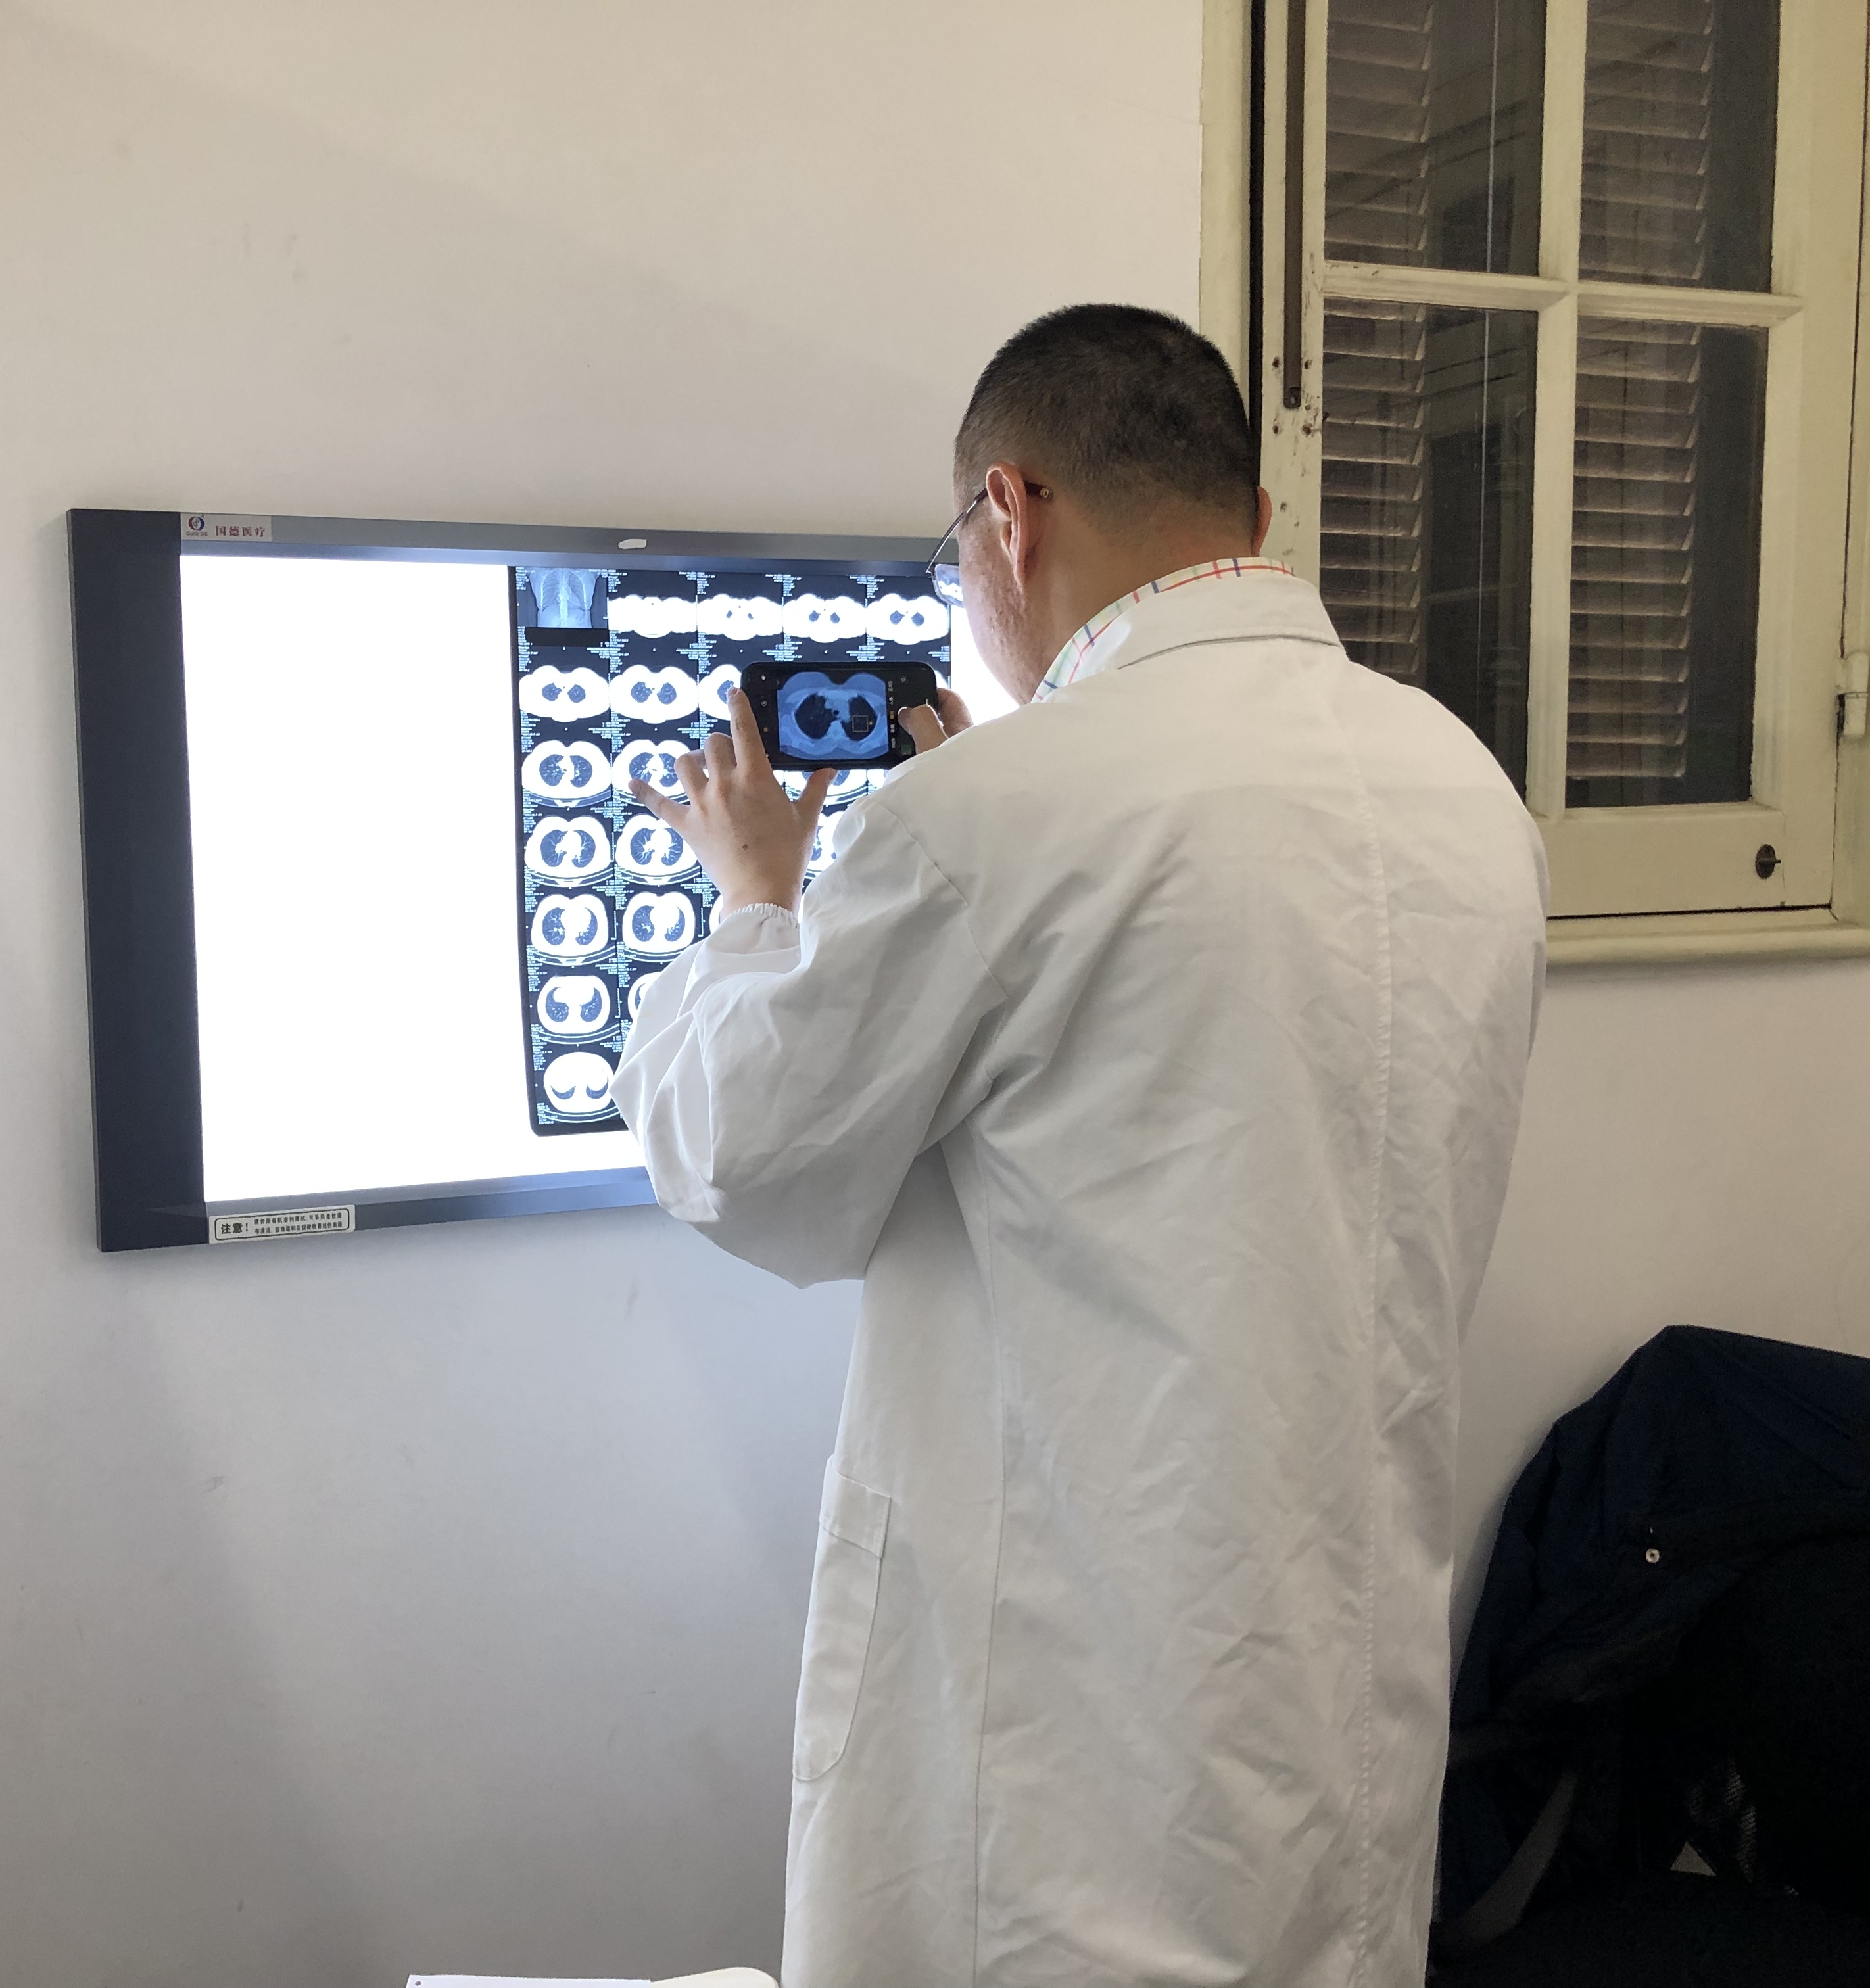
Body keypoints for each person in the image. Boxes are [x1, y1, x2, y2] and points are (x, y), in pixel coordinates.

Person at [610, 304, 1547, 1988]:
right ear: (1253, 524)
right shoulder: (1458, 783)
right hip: (1333, 1696)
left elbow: (746, 1157)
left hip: (1071, 1749)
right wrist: (961, 842)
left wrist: (756, 904)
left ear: (1011, 511)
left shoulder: (1012, 810)